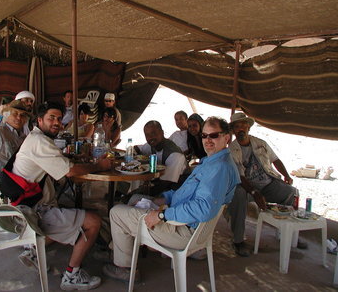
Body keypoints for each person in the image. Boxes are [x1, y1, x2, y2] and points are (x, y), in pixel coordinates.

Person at [102, 116, 240, 282]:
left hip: (182, 231)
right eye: (204, 136)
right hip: (182, 218)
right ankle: (116, 250)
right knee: (135, 199)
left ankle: (123, 268)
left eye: (213, 136)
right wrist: (164, 199)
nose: (208, 140)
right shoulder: (212, 162)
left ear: (226, 138)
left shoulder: (219, 168)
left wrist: (161, 215)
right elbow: (187, 193)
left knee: (116, 212)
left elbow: (203, 208)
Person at [11, 101, 111, 290]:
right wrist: (99, 166)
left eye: (58, 118)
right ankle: (71, 276)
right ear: (39, 120)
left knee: (69, 210)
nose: (56, 122)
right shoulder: (40, 142)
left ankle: (33, 252)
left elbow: (58, 161)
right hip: (31, 213)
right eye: (51, 118)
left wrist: (76, 159)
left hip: (24, 204)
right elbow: (70, 172)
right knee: (93, 221)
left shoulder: (36, 138)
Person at [227, 112, 306, 257]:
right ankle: (238, 241)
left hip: (267, 183)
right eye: (237, 127)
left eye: (244, 126)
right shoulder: (232, 149)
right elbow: (239, 176)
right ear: (233, 130)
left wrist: (286, 175)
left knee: (291, 193)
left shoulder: (260, 143)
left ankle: (289, 233)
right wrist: (254, 193)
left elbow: (275, 160)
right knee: (237, 194)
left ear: (249, 128)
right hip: (247, 187)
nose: (241, 129)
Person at [134, 121, 188, 195]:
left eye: (153, 133)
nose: (150, 138)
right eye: (147, 135)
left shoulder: (175, 154)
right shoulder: (152, 145)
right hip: (161, 187)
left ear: (162, 132)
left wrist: (141, 193)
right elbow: (137, 148)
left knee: (132, 198)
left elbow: (164, 184)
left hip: (176, 193)